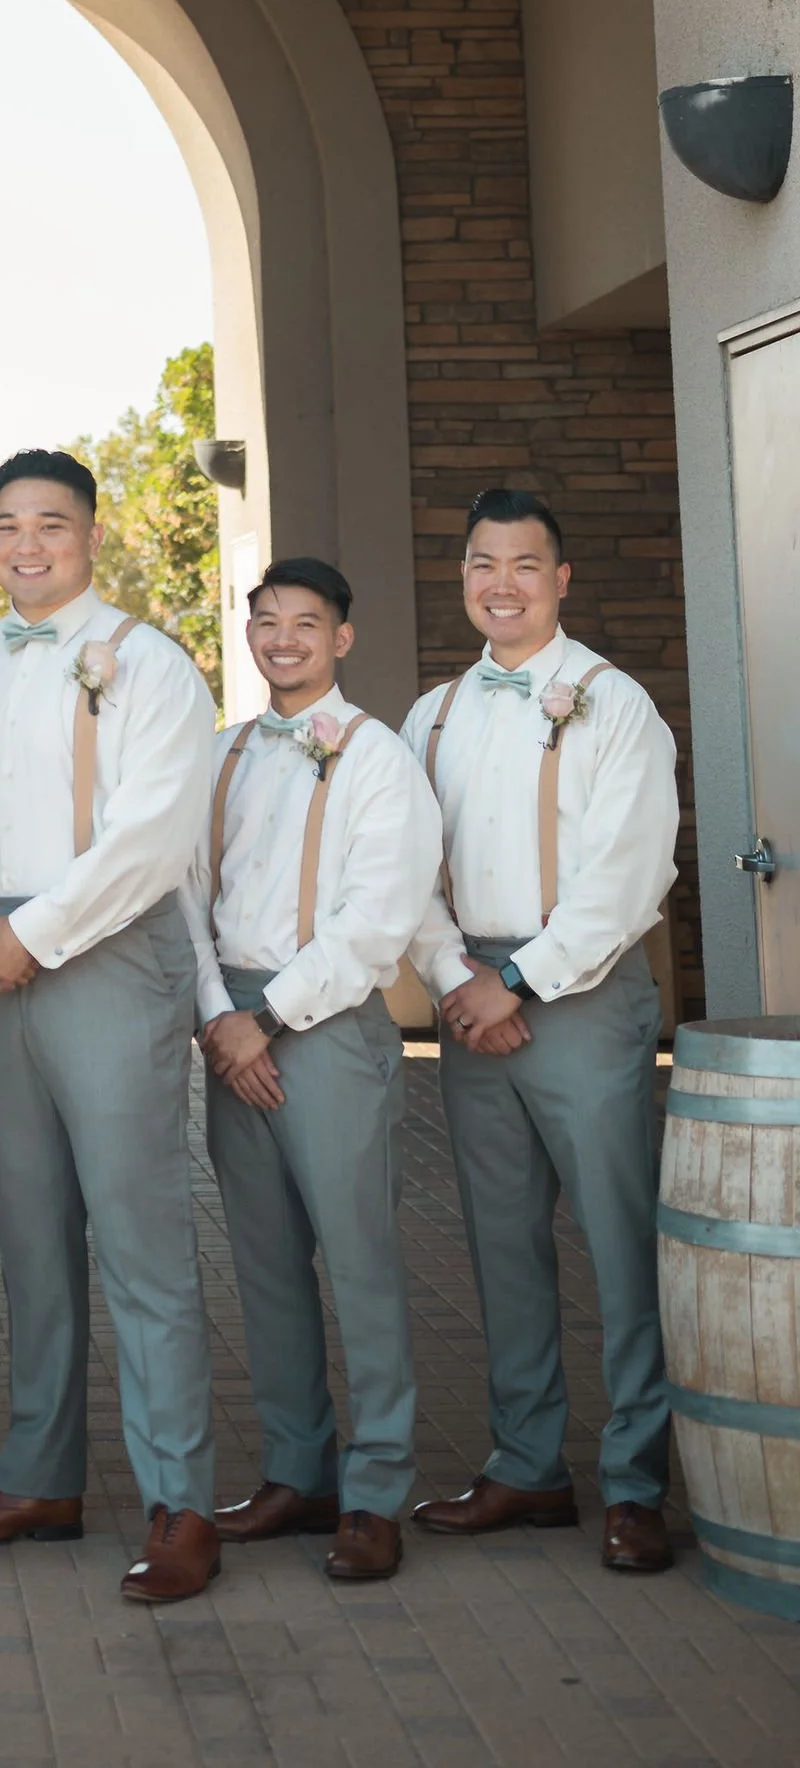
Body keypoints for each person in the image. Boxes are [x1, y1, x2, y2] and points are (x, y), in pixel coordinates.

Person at [0, 449, 220, 1605]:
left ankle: (181, 1500)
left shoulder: (148, 665)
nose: (24, 545)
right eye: (4, 526)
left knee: (139, 1242)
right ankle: (38, 1478)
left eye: (48, 523)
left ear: (91, 535)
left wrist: (29, 934)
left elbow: (152, 835)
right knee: (29, 1239)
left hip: (101, 952)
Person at [404, 486, 679, 1575]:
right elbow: (400, 868)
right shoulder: (426, 716)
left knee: (618, 1247)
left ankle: (635, 1482)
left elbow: (627, 877)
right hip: (469, 1000)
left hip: (581, 994)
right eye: (481, 563)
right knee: (500, 1245)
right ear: (461, 576)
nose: (500, 584)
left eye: (523, 565)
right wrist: (453, 976)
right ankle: (525, 1467)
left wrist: (516, 980)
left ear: (558, 581)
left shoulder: (613, 706)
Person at [181, 556, 442, 1582]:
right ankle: (298, 1472)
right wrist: (216, 1017)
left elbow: (377, 919)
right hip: (227, 1028)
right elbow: (181, 896)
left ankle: (375, 1489)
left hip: (323, 1024)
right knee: (264, 1265)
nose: (280, 637)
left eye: (303, 622)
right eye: (264, 621)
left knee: (360, 1265)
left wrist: (267, 1019)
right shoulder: (220, 754)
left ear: (339, 637)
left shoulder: (378, 758)